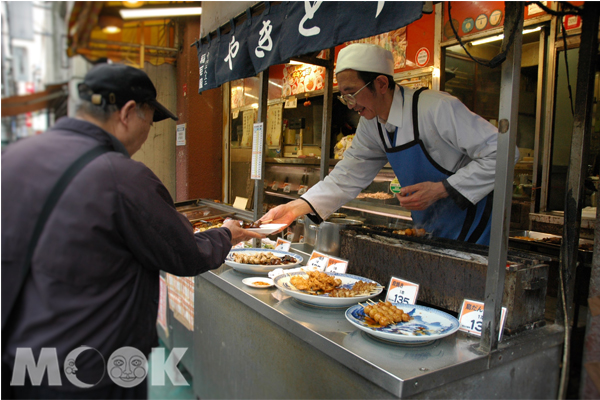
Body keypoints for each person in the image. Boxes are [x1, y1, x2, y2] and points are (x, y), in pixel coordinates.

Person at [1, 63, 263, 399]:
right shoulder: (124, 177)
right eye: (150, 120)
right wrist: (226, 233)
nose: (149, 132)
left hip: (19, 360)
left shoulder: (12, 158)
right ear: (127, 112)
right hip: (94, 370)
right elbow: (186, 254)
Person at [260, 43, 518, 245]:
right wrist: (294, 208)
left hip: (475, 232)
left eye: (353, 93)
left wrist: (441, 189)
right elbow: (346, 176)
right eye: (344, 97)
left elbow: (505, 152)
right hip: (429, 232)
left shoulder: (436, 107)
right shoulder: (371, 124)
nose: (350, 104)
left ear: (381, 84)